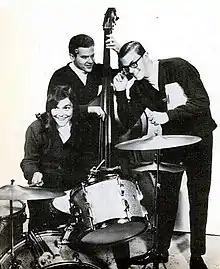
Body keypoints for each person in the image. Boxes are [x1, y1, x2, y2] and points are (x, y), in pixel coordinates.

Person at [113, 41, 217, 269]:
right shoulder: (139, 87)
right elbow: (126, 121)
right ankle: (160, 252)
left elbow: (202, 102)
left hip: (199, 139)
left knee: (198, 196)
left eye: (134, 63)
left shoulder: (177, 67)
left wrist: (167, 116)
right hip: (171, 143)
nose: (132, 70)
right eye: (126, 67)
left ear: (146, 55)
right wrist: (120, 93)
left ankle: (197, 255)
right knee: (166, 197)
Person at [48, 34, 121, 173]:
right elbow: (54, 110)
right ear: (72, 56)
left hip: (95, 137)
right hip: (71, 139)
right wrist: (88, 109)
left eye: (92, 56)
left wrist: (119, 51)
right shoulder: (60, 76)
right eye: (84, 57)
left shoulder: (97, 71)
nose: (90, 61)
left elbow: (124, 74)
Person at [20, 84, 86, 231]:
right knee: (44, 242)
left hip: (73, 193)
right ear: (49, 108)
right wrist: (34, 173)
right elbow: (29, 161)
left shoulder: (83, 128)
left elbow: (88, 162)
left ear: (74, 107)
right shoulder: (36, 128)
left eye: (66, 108)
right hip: (44, 194)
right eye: (56, 108)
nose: (61, 114)